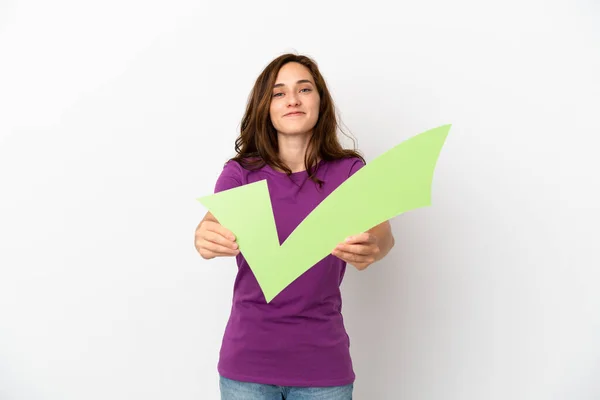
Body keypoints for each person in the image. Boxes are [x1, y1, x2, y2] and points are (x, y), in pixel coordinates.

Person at [194, 53, 395, 399]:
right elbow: (211, 224)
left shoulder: (348, 172)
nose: (292, 99)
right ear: (265, 107)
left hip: (323, 367)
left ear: (320, 102)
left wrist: (373, 247)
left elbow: (384, 235)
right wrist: (205, 236)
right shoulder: (241, 173)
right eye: (279, 93)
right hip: (247, 367)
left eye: (304, 89)